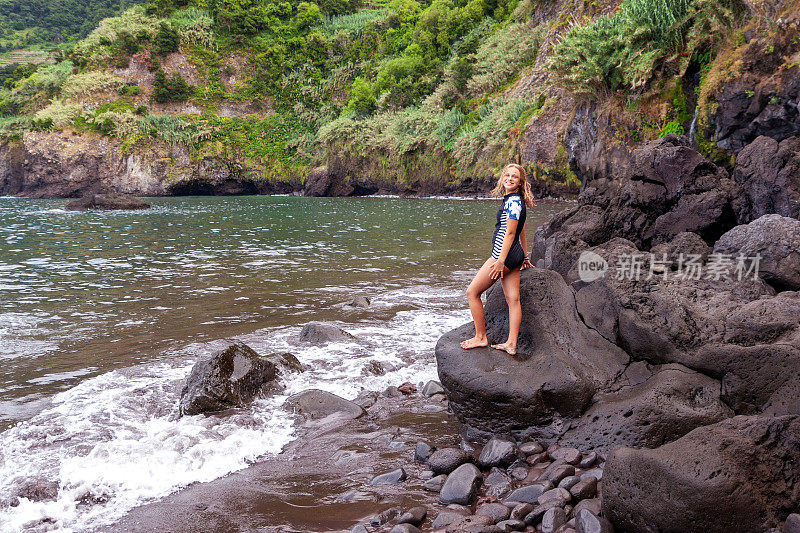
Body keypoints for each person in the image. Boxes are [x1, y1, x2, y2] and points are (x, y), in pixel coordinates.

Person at [460, 163, 534, 356]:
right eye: (507, 175)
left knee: (472, 292)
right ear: (502, 178)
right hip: (515, 255)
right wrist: (524, 256)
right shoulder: (516, 201)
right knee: (513, 300)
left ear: (520, 182)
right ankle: (511, 343)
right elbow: (522, 231)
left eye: (514, 177)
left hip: (504, 254)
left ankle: (480, 337)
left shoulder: (513, 202)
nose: (510, 178)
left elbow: (510, 233)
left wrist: (500, 261)